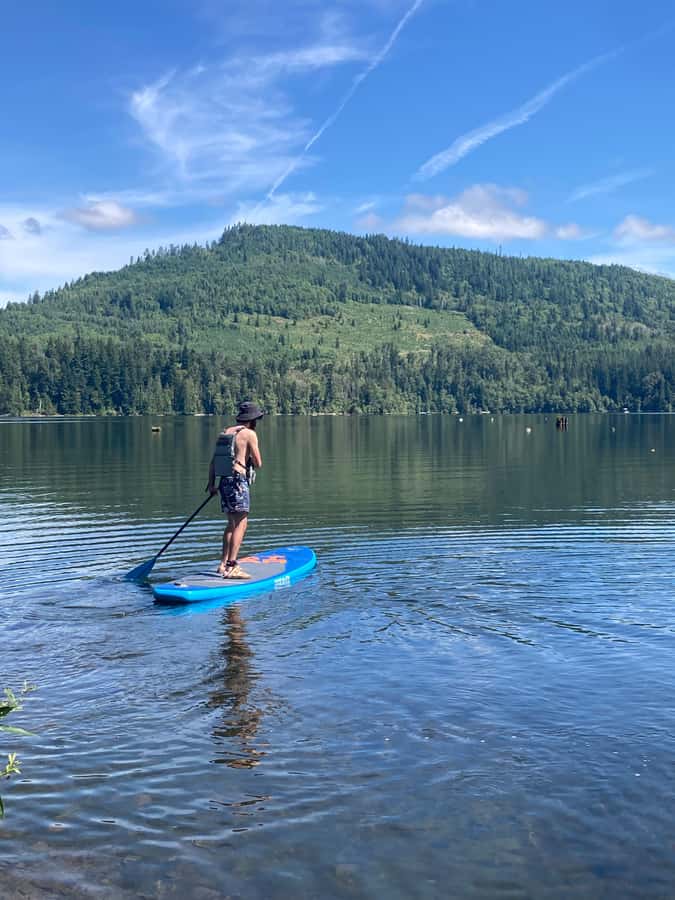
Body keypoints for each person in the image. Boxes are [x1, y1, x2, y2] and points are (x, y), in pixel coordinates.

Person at [207, 401, 263, 579]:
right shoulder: (249, 434)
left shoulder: (226, 433)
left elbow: (214, 462)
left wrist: (211, 484)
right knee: (241, 524)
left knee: (231, 524)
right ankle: (233, 567)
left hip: (224, 481)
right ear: (253, 420)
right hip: (239, 481)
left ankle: (223, 564)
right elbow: (258, 462)